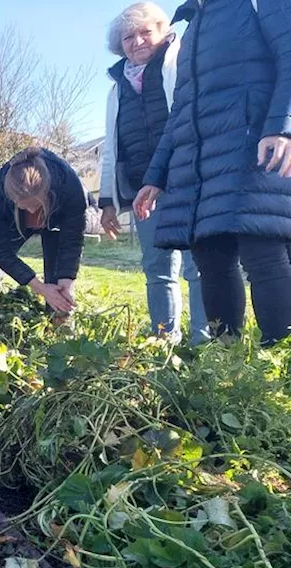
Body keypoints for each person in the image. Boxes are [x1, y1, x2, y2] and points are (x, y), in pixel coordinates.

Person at [134, 0, 291, 345]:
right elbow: (181, 109)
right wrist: (155, 175)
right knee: (211, 257)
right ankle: (226, 363)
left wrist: (283, 127)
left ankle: (280, 357)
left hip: (253, 143)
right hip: (200, 166)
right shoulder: (193, 27)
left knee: (260, 248)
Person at [100, 2, 208, 345]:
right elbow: (111, 148)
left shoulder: (181, 64)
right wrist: (108, 201)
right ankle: (164, 340)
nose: (138, 41)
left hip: (187, 182)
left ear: (163, 32)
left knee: (198, 266)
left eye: (146, 32)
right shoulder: (116, 89)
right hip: (142, 190)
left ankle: (205, 342)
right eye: (129, 36)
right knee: (157, 268)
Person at [0, 147, 87, 344]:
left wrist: (66, 281)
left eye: (37, 204)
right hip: (11, 225)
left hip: (57, 221)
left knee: (58, 274)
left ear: (48, 191)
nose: (32, 210)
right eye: (24, 206)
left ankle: (60, 334)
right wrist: (39, 287)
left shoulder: (68, 184)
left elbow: (72, 239)